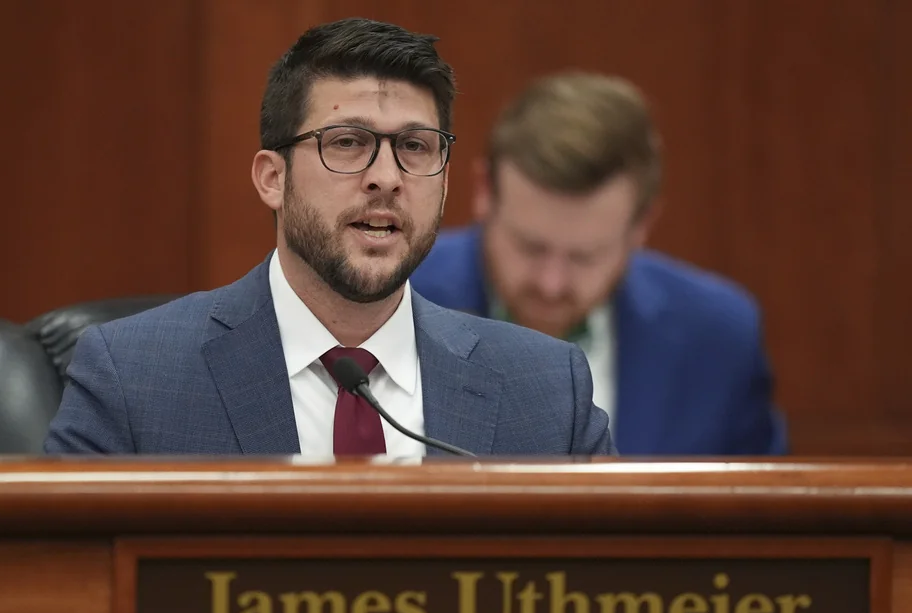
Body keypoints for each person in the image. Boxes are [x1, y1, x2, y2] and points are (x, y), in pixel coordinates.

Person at [44, 18, 614, 460]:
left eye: (415, 147)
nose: (387, 177)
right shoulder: (134, 377)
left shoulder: (544, 389)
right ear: (273, 178)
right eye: (347, 142)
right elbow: (61, 593)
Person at [410, 72, 787, 456]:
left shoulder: (718, 336)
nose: (551, 283)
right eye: (530, 247)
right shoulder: (397, 301)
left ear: (642, 225)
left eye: (585, 257)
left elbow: (765, 510)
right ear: (484, 192)